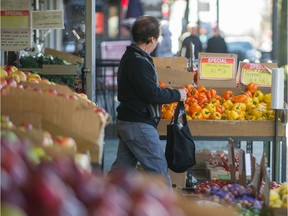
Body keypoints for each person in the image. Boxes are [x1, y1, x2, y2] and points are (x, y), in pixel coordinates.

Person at [109, 15, 187, 187]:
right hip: (138, 124)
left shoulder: (132, 57)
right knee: (159, 172)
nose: (157, 43)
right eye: (157, 39)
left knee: (120, 173)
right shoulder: (137, 61)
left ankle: (102, 202)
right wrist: (177, 94)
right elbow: (151, 93)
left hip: (129, 121)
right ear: (151, 39)